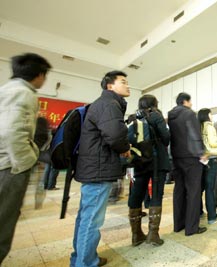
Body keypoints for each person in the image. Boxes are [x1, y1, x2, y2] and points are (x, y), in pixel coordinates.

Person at [70, 70, 131, 267]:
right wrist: (125, 148)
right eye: (123, 82)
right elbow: (114, 135)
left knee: (85, 217)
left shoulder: (104, 103)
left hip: (94, 166)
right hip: (98, 168)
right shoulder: (109, 104)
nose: (127, 85)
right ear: (110, 86)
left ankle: (82, 258)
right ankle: (85, 263)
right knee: (91, 220)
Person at [0, 53, 51, 265]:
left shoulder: (7, 89)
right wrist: (27, 161)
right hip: (9, 168)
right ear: (38, 75)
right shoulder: (23, 93)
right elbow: (12, 131)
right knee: (3, 224)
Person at [127, 95, 170, 246]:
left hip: (140, 161)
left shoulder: (134, 118)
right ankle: (153, 234)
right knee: (157, 194)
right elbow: (166, 138)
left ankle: (136, 235)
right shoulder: (156, 116)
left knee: (137, 194)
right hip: (157, 161)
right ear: (154, 104)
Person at [168, 93, 207, 236]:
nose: (191, 104)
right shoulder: (189, 114)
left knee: (179, 190)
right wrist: (200, 153)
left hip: (176, 157)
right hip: (191, 157)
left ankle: (178, 224)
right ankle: (192, 227)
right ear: (185, 101)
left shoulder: (171, 116)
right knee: (193, 192)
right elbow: (194, 134)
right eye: (190, 101)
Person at [198, 108, 217, 224]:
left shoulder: (198, 127)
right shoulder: (210, 127)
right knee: (209, 188)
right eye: (210, 114)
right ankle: (212, 216)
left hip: (200, 160)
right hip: (210, 159)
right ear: (207, 115)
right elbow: (213, 144)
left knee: (200, 188)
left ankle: (199, 212)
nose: (212, 116)